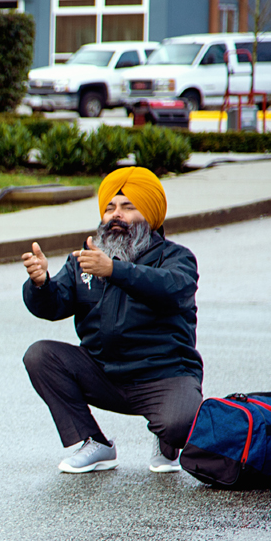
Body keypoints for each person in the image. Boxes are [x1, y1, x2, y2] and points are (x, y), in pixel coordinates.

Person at [22, 166, 203, 475]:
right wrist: (40, 284)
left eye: (128, 207)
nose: (116, 215)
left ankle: (166, 440)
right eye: (110, 208)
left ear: (149, 213)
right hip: (103, 374)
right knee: (40, 355)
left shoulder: (176, 257)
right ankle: (95, 443)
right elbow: (52, 306)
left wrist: (114, 271)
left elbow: (173, 288)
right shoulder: (85, 260)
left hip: (163, 377)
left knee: (181, 425)